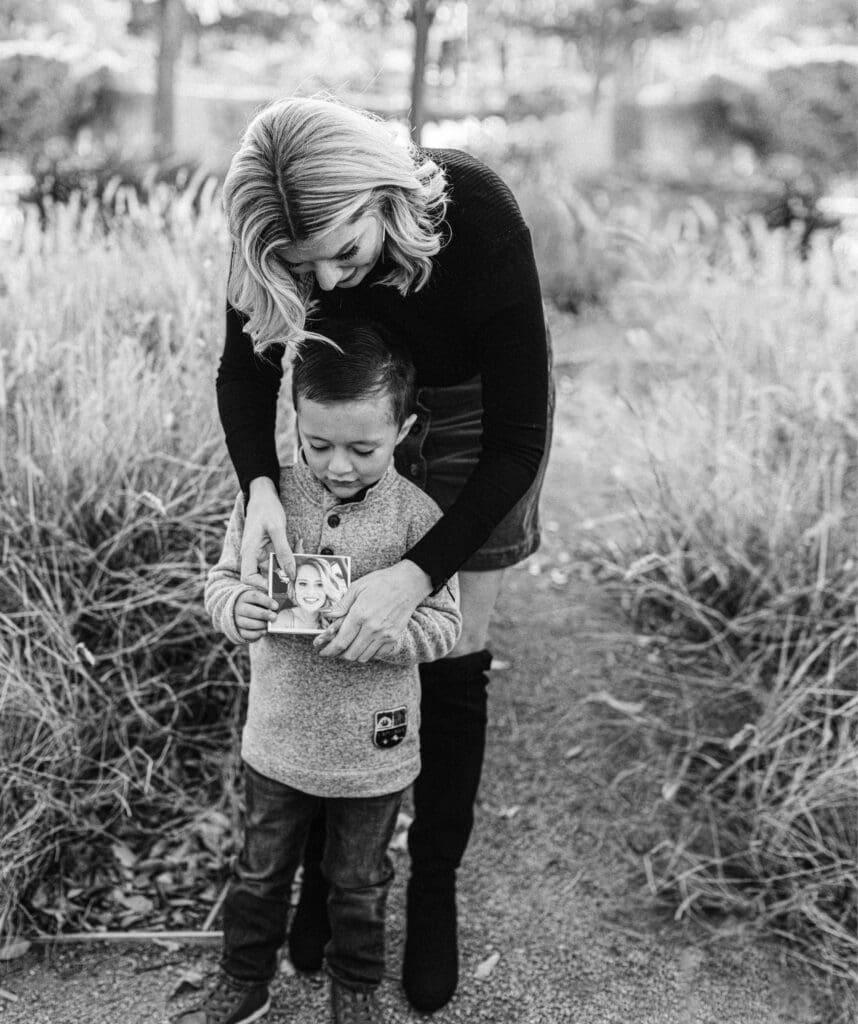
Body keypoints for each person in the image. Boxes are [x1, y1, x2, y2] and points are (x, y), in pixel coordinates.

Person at [217, 94, 554, 1013]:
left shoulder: (478, 218)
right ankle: (329, 877)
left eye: (342, 251)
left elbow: (518, 440)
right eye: (302, 265)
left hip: (477, 420)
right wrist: (258, 491)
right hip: (362, 417)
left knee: (449, 654)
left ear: (380, 195)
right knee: (338, 622)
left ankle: (432, 884)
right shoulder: (276, 236)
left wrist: (414, 574)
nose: (325, 276)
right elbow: (243, 371)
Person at [186, 322, 462, 1024]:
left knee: (360, 882)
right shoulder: (267, 498)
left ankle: (356, 990)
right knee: (259, 869)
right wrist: (237, 608)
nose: (339, 466)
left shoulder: (419, 520)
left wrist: (388, 635)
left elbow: (445, 626)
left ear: (404, 428)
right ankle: (243, 979)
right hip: (276, 739)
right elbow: (221, 581)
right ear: (295, 423)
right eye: (319, 444)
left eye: (363, 448)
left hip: (375, 750)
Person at [271, 557, 347, 632]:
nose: (311, 592)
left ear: (328, 589)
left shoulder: (337, 618)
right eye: (303, 583)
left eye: (320, 584)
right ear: (294, 587)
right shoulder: (283, 619)